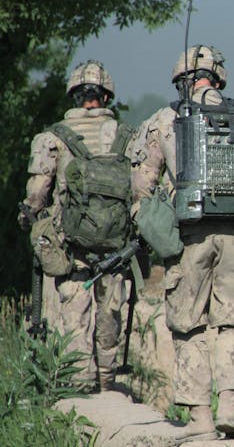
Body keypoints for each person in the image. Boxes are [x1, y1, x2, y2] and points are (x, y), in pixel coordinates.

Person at [131, 45, 234, 442]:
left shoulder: (164, 120)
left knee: (188, 324)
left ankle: (199, 419)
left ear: (181, 80)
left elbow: (142, 186)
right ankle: (230, 408)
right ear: (218, 78)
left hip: (188, 237)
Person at [18, 60, 132, 393]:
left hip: (73, 242)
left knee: (75, 307)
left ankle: (80, 382)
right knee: (110, 307)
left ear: (75, 96)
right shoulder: (126, 135)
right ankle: (109, 379)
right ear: (107, 97)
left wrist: (28, 215)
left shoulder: (52, 137)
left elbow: (38, 192)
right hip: (116, 242)